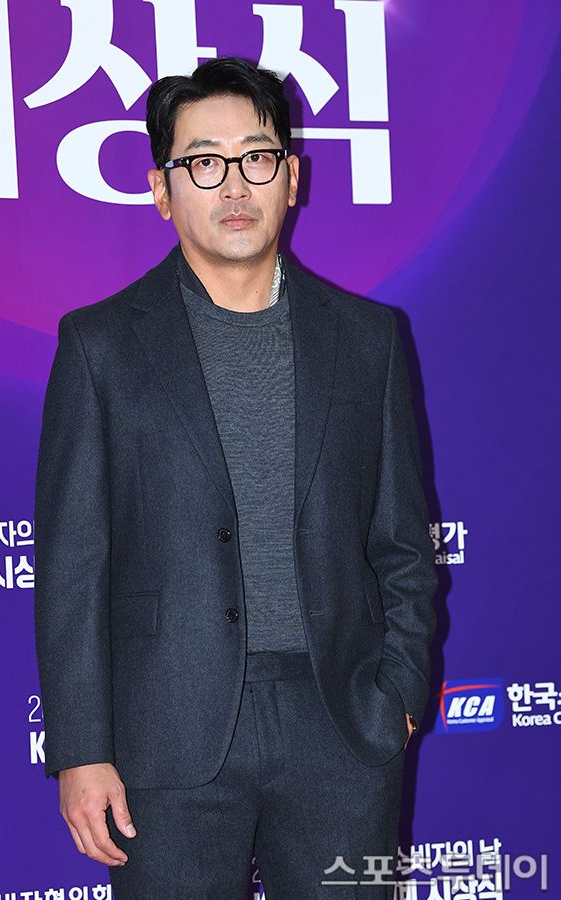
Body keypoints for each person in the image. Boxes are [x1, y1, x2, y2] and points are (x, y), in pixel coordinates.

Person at [33, 56, 438, 899]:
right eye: (203, 162)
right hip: (165, 734)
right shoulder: (100, 347)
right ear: (161, 189)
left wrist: (399, 693)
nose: (234, 184)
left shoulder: (368, 340)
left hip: (341, 727)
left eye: (256, 156)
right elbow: (73, 567)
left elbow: (402, 542)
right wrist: (80, 749)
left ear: (291, 177)